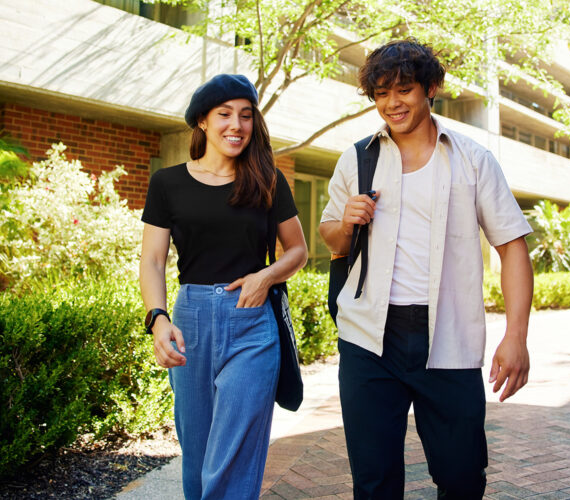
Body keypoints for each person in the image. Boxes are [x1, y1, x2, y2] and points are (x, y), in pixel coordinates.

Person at [319, 40, 533, 499]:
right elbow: (333, 241)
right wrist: (348, 220)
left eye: (404, 90)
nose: (392, 104)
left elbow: (512, 247)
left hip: (448, 338)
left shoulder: (472, 159)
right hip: (368, 337)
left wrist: (516, 336)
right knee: (374, 483)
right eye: (380, 94)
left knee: (461, 478)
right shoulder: (357, 158)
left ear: (431, 87)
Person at [138, 74, 308, 500]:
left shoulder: (268, 180)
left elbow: (298, 251)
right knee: (196, 456)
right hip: (189, 322)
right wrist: (158, 319)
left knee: (232, 456)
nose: (237, 125)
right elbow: (153, 260)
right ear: (202, 122)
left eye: (246, 116)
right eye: (225, 114)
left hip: (252, 322)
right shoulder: (168, 183)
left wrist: (266, 275)